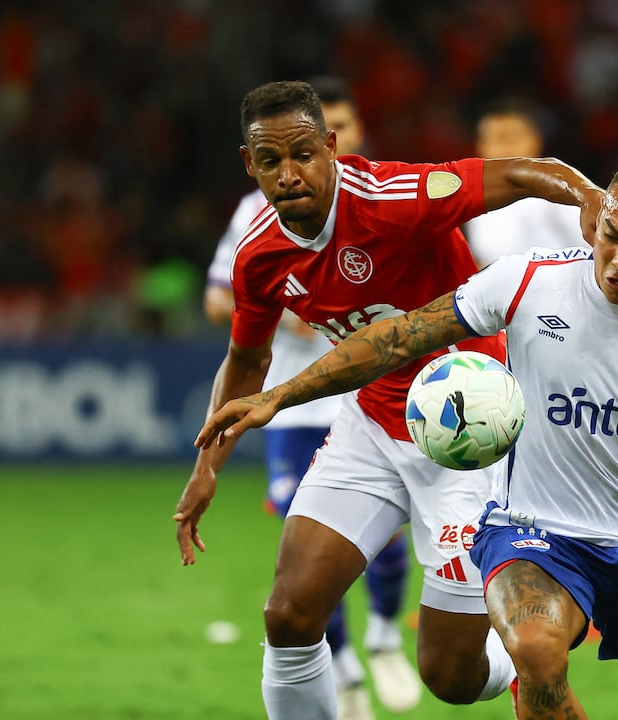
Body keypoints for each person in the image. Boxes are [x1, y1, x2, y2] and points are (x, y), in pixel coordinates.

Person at [196, 152, 618, 720]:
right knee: (535, 649)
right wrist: (281, 393)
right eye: (610, 234)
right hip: (535, 535)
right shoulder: (530, 280)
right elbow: (399, 337)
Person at [172, 80, 602, 720]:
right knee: (288, 615)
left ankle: (535, 643)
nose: (289, 175)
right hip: (369, 427)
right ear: (249, 164)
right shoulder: (259, 256)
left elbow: (520, 173)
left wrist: (591, 198)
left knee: (449, 675)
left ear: (331, 147)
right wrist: (207, 467)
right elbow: (247, 361)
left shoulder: (394, 199)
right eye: (270, 162)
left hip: (467, 437)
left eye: (303, 154)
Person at [202, 76, 417, 719]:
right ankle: (346, 668)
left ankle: (383, 636)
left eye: (345, 131)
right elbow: (220, 299)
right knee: (309, 547)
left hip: (382, 394)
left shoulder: (376, 194)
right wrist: (278, 314)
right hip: (295, 402)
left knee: (383, 539)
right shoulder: (256, 216)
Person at [463, 97, 587, 267]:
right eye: (493, 139)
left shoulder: (566, 191)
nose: (502, 150)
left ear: (535, 140)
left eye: (510, 138)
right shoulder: (475, 205)